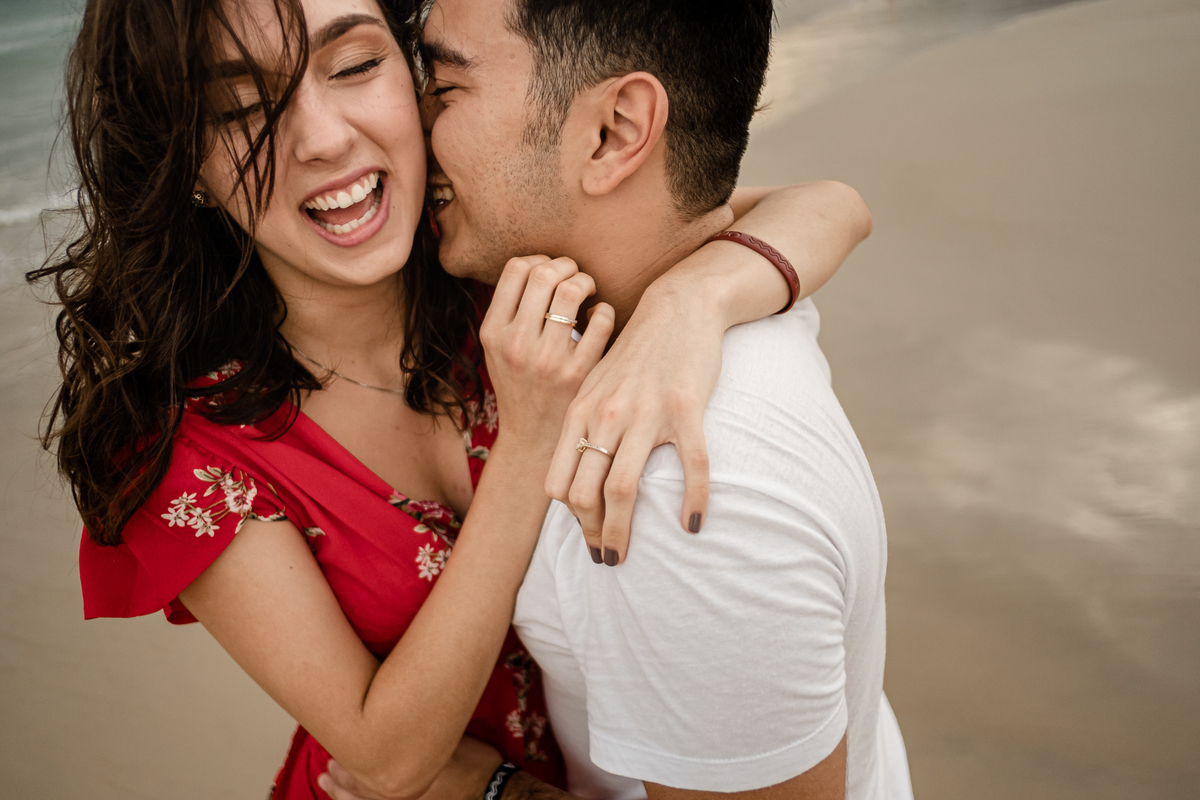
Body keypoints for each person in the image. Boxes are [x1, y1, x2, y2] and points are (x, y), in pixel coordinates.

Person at [30, 0, 872, 798]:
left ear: (414, 74)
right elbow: (386, 759)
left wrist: (699, 299)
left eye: (355, 65)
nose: (323, 139)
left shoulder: (485, 252)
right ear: (187, 167)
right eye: (240, 110)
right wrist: (530, 443)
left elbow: (826, 203)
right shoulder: (189, 448)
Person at [324, 0, 910, 798]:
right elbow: (832, 201)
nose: (412, 122)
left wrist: (491, 793)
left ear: (613, 133)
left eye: (447, 85)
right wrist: (693, 299)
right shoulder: (694, 306)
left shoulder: (676, 491)